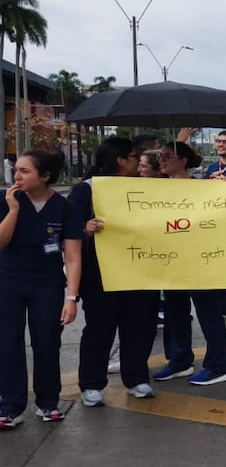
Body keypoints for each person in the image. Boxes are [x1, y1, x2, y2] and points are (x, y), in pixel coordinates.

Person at [69, 138, 160, 405]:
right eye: (134, 156)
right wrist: (85, 228)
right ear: (120, 160)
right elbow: (67, 227)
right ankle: (91, 384)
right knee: (100, 327)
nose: (138, 161)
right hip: (100, 272)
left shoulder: (146, 187)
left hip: (141, 267)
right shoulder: (87, 189)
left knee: (140, 325)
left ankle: (137, 379)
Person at [0, 150, 83, 428]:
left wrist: (71, 298)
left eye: (25, 171)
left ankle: (48, 402)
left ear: (45, 176)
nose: (17, 176)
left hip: (47, 284)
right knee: (7, 342)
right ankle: (10, 405)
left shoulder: (64, 207)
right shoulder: (7, 200)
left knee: (47, 341)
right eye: (16, 169)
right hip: (8, 281)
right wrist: (13, 210)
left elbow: (73, 257)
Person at [152, 141, 226, 387]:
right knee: (175, 313)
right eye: (160, 156)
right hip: (171, 262)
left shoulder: (203, 188)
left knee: (208, 314)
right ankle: (180, 360)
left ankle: (217, 366)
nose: (161, 160)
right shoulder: (155, 191)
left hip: (200, 261)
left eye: (167, 156)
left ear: (183, 160)